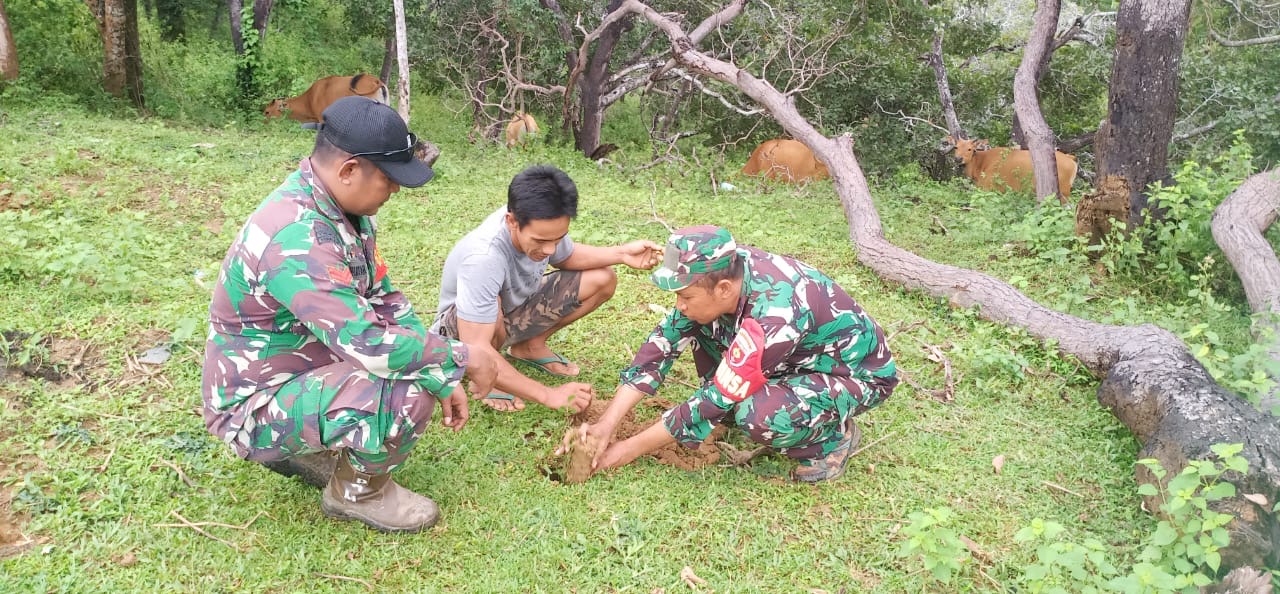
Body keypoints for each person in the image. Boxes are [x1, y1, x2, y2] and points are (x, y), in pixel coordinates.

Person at [201, 96, 498, 534]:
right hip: (254, 404)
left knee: (419, 366)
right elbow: (372, 344)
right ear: (348, 170)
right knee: (406, 390)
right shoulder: (298, 238)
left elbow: (384, 300)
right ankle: (357, 493)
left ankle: (315, 442)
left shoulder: (344, 211)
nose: (395, 189)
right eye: (389, 178)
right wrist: (459, 359)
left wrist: (441, 370)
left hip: (301, 366)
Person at [564, 225, 898, 483]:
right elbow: (661, 346)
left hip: (854, 377)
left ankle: (832, 440)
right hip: (793, 360)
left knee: (759, 414)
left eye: (686, 296)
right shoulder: (721, 271)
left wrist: (624, 451)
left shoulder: (775, 315)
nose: (679, 305)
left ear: (723, 289)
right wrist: (608, 424)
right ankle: (753, 406)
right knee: (696, 324)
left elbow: (718, 395)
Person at [432, 165, 661, 413]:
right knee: (493, 307)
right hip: (462, 333)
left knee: (602, 279)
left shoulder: (538, 220)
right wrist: (548, 395)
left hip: (511, 310)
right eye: (541, 241)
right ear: (512, 222)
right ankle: (488, 376)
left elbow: (568, 256)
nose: (550, 250)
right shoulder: (484, 257)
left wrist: (622, 253)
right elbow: (475, 344)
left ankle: (529, 347)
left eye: (558, 238)